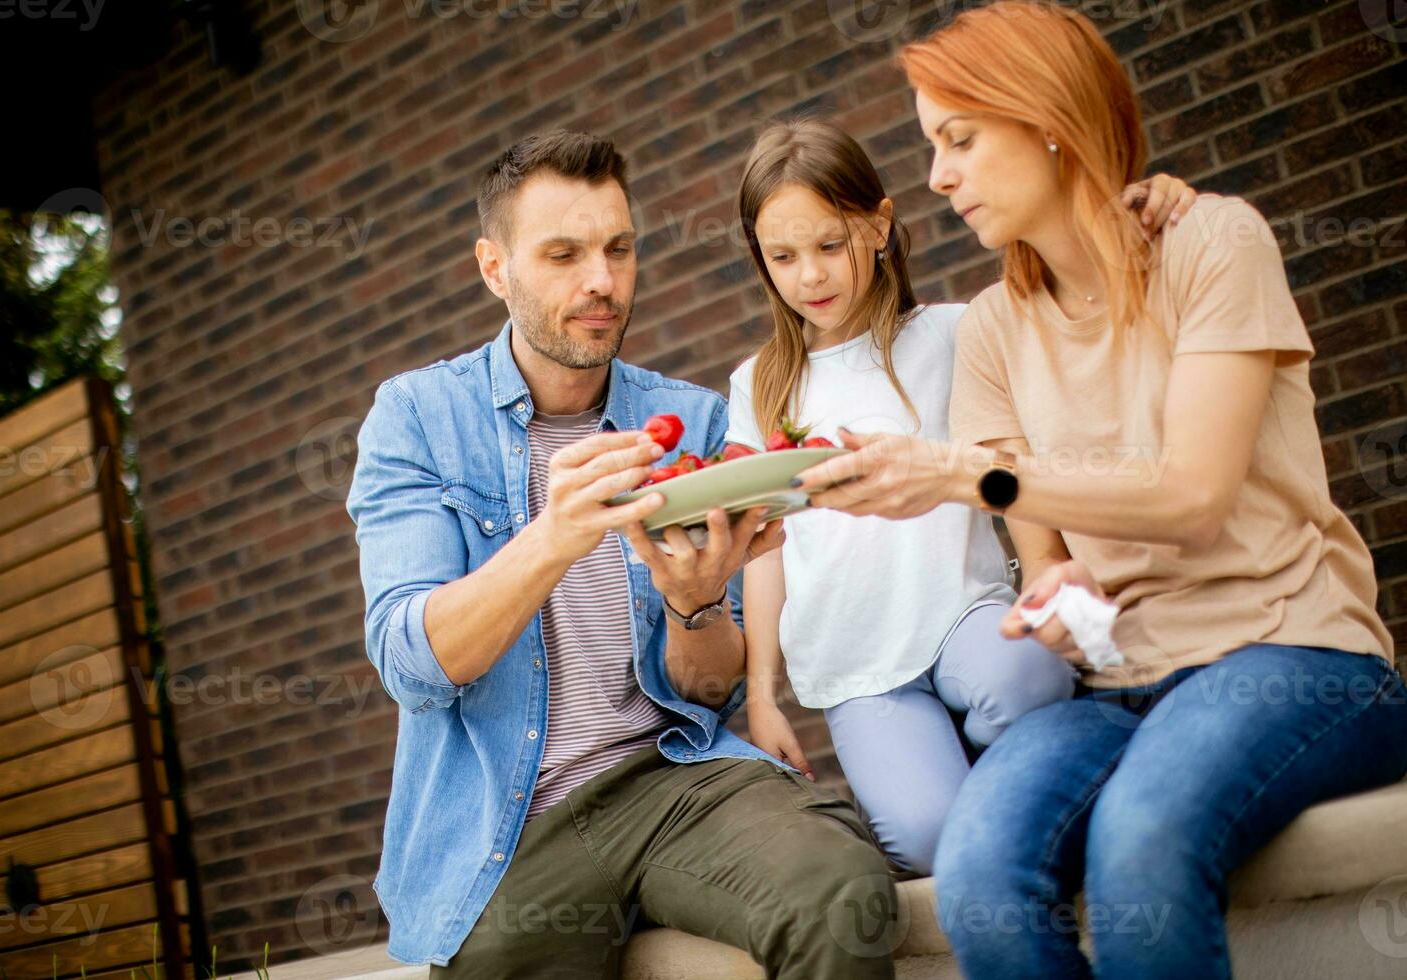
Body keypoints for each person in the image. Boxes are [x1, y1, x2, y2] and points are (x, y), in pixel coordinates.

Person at [788, 4, 1407, 977]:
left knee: (1144, 838)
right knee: (980, 878)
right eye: (931, 146)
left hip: (1292, 652)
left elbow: (1194, 495)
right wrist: (1056, 600)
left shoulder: (1213, 242)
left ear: (1046, 119)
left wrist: (958, 472)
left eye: (958, 139)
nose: (938, 175)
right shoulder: (995, 327)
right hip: (1116, 689)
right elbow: (1053, 564)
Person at [345, 130, 902, 979]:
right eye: (563, 255)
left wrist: (695, 602)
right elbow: (414, 667)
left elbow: (708, 689)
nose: (601, 281)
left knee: (839, 890)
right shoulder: (418, 417)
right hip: (514, 819)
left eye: (619, 248)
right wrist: (553, 536)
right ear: (495, 268)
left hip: (677, 776)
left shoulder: (693, 421)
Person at [729, 116, 1197, 875]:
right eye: (783, 257)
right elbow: (766, 550)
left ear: (880, 225)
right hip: (858, 665)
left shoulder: (954, 333)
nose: (811, 276)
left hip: (961, 610)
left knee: (1031, 678)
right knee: (932, 841)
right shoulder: (757, 387)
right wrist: (761, 693)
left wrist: (1143, 210)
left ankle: (1010, 777)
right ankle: (988, 796)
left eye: (829, 244)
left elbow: (1070, 283)